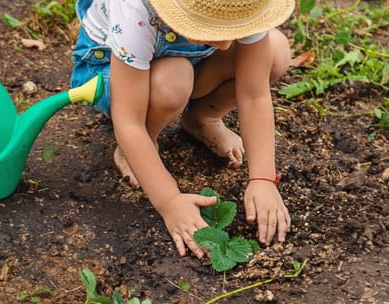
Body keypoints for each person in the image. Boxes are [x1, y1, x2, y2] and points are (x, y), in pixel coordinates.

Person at [71, 0, 294, 259]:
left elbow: (254, 95)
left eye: (233, 32)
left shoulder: (241, 5)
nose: (225, 45)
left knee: (275, 52)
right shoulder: (134, 9)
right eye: (213, 30)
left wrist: (263, 179)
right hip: (115, 73)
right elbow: (128, 121)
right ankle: (135, 147)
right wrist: (170, 202)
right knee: (173, 80)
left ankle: (203, 117)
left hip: (190, 59)